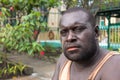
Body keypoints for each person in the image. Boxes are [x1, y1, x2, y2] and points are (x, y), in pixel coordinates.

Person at [52, 7, 120, 80]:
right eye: (64, 32)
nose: (69, 38)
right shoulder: (64, 60)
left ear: (96, 32)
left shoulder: (115, 65)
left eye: (78, 29)